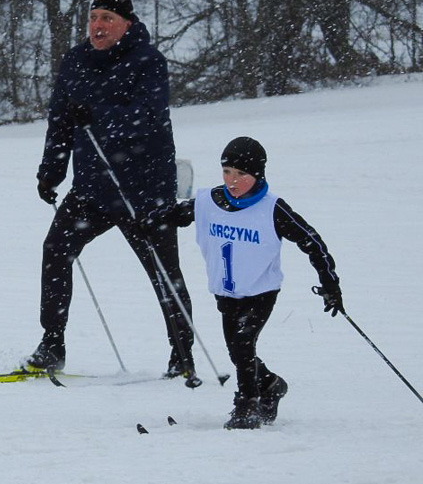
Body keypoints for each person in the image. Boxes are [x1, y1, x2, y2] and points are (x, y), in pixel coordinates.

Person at [25, 0, 198, 386]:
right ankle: (52, 345)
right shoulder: (75, 62)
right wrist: (51, 170)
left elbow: (147, 116)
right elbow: (61, 121)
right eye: (93, 17)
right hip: (93, 188)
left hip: (143, 190)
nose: (97, 26)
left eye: (107, 19)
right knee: (55, 252)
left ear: (127, 24)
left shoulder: (148, 61)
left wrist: (98, 114)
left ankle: (183, 355)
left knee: (163, 272)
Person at [143, 136, 344, 429]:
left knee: (242, 343)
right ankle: (271, 385)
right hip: (226, 293)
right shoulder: (209, 201)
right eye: (227, 172)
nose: (232, 180)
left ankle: (247, 404)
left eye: (241, 174)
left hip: (261, 291)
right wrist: (152, 220)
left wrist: (330, 283)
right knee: (239, 352)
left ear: (258, 174)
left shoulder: (273, 208)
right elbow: (178, 214)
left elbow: (311, 241)